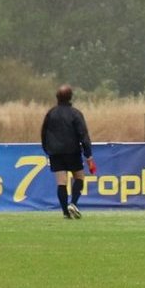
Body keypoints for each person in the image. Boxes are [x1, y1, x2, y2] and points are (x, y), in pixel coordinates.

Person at [40, 84, 94, 219]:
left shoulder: (51, 113)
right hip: (72, 151)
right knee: (79, 177)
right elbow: (83, 135)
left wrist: (47, 149)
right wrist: (88, 155)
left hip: (55, 152)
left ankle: (65, 212)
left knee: (61, 181)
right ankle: (73, 203)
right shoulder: (75, 114)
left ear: (57, 97)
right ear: (70, 97)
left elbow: (43, 133)